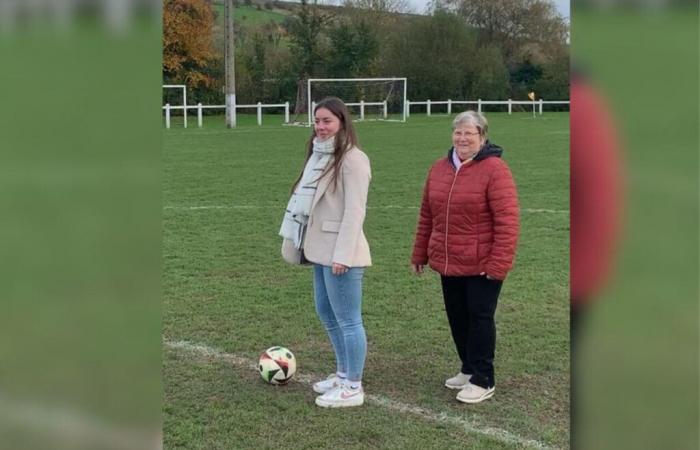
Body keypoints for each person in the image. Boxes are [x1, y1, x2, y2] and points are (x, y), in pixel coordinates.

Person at [411, 110, 519, 404]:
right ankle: (468, 368)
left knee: (480, 318)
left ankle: (484, 379)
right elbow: (426, 215)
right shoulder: (439, 168)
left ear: (482, 137)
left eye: (469, 133)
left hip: (482, 264)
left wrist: (498, 264)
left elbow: (507, 221)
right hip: (449, 261)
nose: (462, 138)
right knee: (458, 318)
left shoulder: (495, 170)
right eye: (458, 132)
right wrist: (420, 250)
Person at [279, 97, 372, 408]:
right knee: (327, 314)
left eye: (327, 121)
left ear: (342, 123)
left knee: (348, 320)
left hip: (341, 254)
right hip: (318, 249)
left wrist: (343, 254)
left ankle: (353, 386)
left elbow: (355, 211)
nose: (320, 127)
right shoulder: (318, 156)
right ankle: (342, 372)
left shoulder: (353, 159)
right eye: (317, 121)